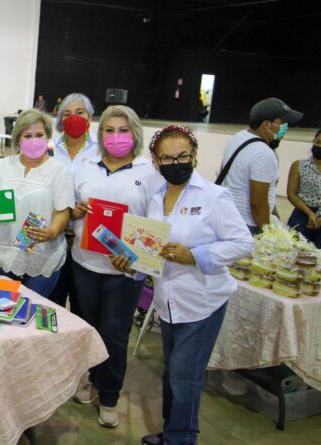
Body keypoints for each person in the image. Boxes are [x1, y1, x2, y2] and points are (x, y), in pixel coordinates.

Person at [110, 125, 253, 445]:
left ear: (195, 155)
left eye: (183, 156)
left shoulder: (214, 197)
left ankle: (181, 439)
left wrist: (195, 256)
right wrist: (131, 263)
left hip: (202, 302)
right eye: (167, 158)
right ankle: (173, 432)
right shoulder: (156, 198)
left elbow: (243, 243)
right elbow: (152, 250)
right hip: (168, 302)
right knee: (172, 374)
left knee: (184, 377)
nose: (176, 163)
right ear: (155, 161)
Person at [70, 105, 154, 428]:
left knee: (115, 334)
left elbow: (154, 224)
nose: (116, 136)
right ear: (100, 133)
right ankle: (91, 379)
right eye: (109, 130)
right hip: (85, 263)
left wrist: (135, 258)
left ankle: (109, 395)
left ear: (135, 134)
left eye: (123, 130)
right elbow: (71, 209)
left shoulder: (149, 172)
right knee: (89, 328)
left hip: (125, 270)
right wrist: (76, 212)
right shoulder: (85, 167)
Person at [0, 109, 73, 297]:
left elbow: (62, 211)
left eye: (39, 135)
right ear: (18, 139)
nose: (34, 140)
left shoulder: (59, 170)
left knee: (31, 308)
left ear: (48, 137)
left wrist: (53, 231)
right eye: (28, 135)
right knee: (4, 305)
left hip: (42, 255)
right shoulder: (4, 165)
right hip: (5, 252)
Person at [219, 97, 303, 235]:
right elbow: (257, 203)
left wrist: (275, 216)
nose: (285, 127)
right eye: (282, 122)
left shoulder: (238, 137)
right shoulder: (264, 153)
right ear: (267, 124)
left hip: (227, 216)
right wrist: (269, 234)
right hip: (248, 225)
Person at [48, 92, 98, 312]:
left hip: (86, 238)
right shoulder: (49, 150)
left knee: (82, 305)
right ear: (60, 120)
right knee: (53, 302)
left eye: (79, 112)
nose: (73, 118)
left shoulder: (101, 150)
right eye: (67, 114)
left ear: (90, 118)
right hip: (54, 236)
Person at [286, 129, 321, 247]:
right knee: (294, 249)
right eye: (318, 142)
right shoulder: (298, 165)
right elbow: (291, 194)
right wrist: (310, 214)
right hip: (301, 215)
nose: (319, 146)